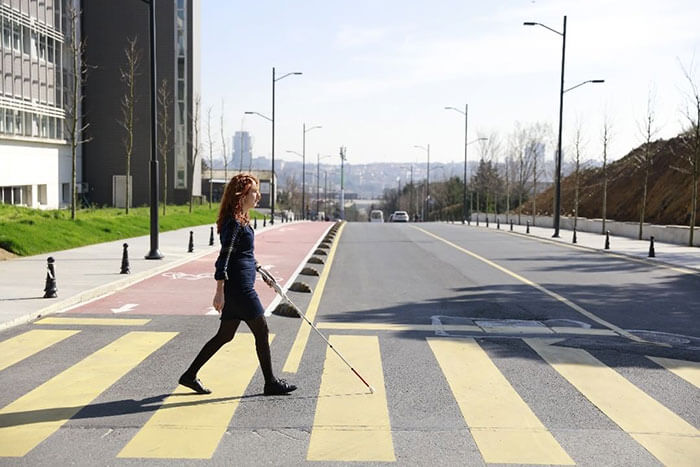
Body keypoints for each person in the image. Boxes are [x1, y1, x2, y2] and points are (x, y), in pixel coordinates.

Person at [178, 173, 297, 396]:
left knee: (225, 335)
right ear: (241, 195)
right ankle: (270, 382)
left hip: (241, 285)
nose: (258, 195)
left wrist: (260, 270)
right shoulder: (234, 223)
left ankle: (189, 375)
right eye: (254, 191)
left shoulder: (241, 220)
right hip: (240, 289)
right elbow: (224, 258)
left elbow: (243, 255)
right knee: (262, 330)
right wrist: (219, 292)